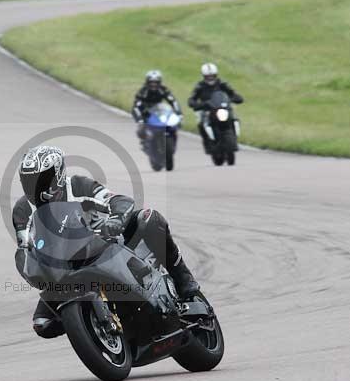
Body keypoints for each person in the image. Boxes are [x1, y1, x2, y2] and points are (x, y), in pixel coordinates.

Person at [12, 145, 210, 339]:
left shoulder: (79, 185)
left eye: (42, 179)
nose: (35, 186)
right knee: (43, 324)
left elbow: (117, 200)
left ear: (58, 174)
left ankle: (187, 287)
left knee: (150, 219)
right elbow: (25, 247)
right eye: (29, 180)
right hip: (63, 271)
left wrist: (116, 219)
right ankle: (88, 322)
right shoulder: (22, 210)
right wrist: (32, 271)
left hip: (105, 244)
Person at [188, 63, 244, 151]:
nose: (210, 78)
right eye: (208, 76)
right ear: (204, 76)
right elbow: (191, 99)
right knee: (201, 123)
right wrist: (197, 104)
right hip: (207, 110)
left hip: (222, 107)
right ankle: (207, 144)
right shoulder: (199, 86)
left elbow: (233, 93)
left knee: (234, 118)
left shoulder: (222, 84)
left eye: (212, 76)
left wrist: (235, 98)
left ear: (216, 75)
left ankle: (234, 138)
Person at [132, 70, 182, 142]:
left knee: (174, 125)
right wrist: (140, 120)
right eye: (151, 82)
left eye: (156, 82)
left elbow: (173, 101)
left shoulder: (163, 89)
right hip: (146, 112)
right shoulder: (143, 91)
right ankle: (147, 140)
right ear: (147, 82)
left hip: (159, 111)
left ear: (159, 82)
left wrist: (179, 113)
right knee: (141, 131)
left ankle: (172, 138)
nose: (154, 85)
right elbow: (136, 106)